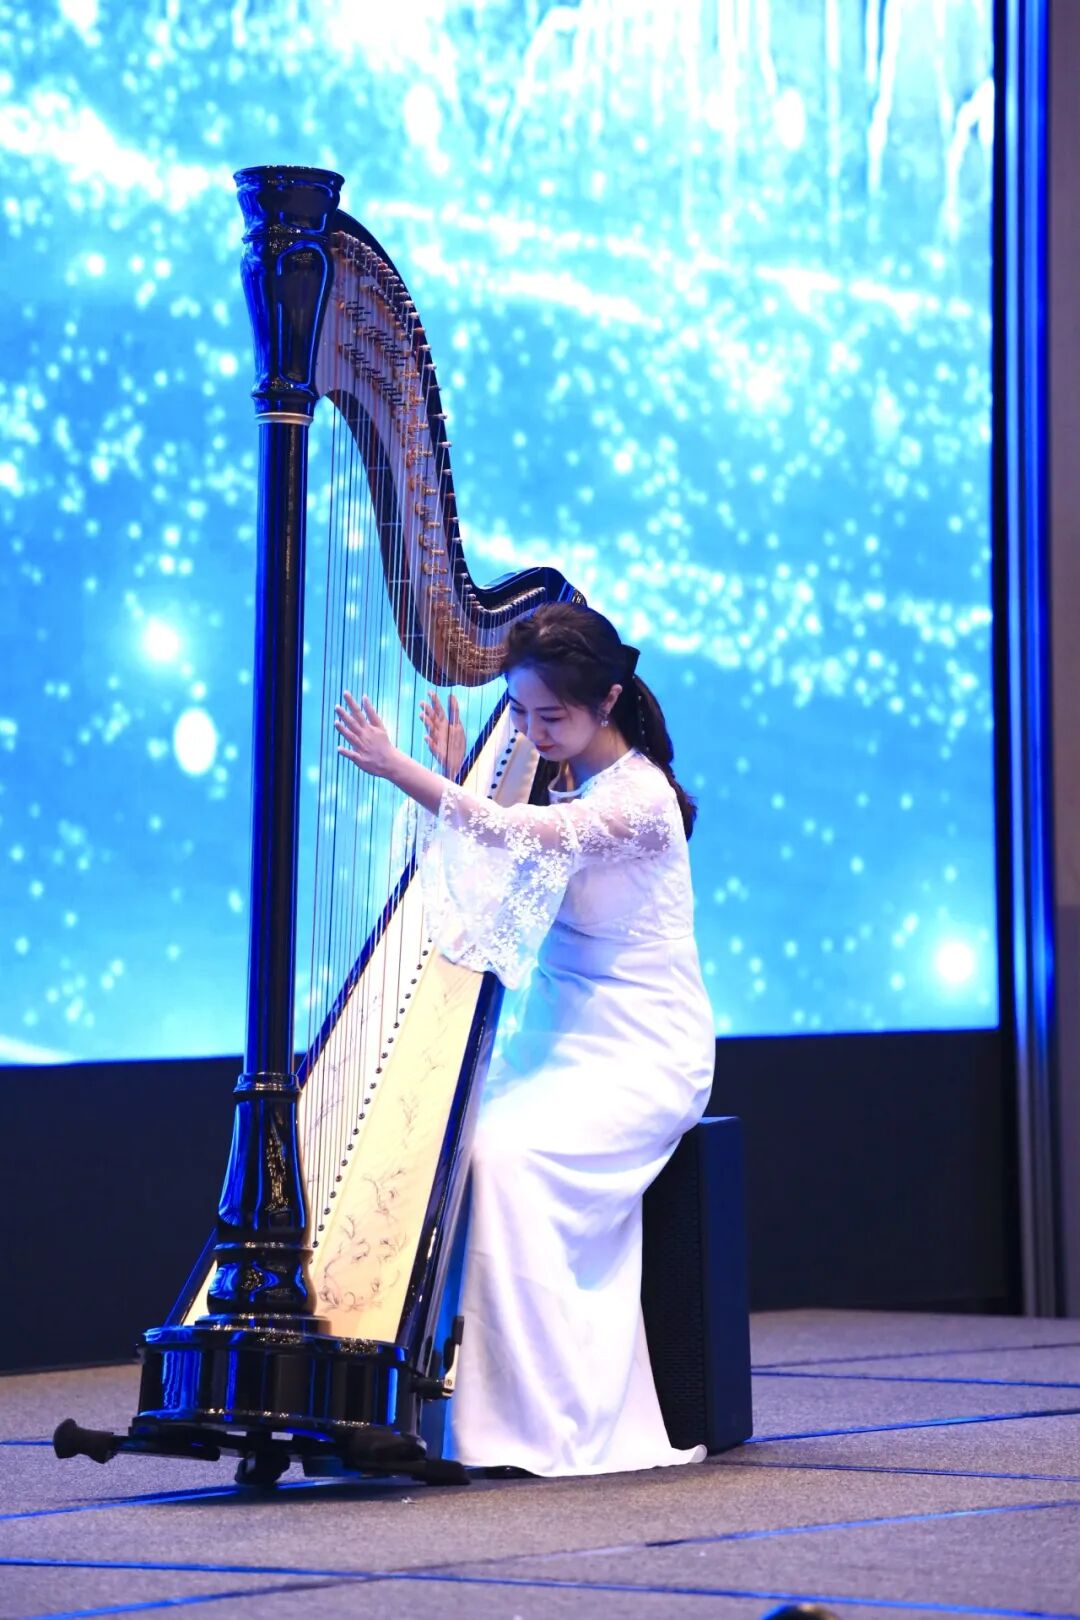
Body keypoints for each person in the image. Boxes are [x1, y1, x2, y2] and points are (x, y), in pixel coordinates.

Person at [334, 602, 715, 1477]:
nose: (534, 734)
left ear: (608, 700)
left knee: (501, 1156)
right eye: (520, 714)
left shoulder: (641, 802)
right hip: (558, 1041)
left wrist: (401, 769)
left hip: (641, 1052)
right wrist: (451, 770)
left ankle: (525, 1422)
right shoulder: (565, 780)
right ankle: (431, 1410)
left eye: (552, 716)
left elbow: (510, 834)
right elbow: (499, 870)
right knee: (445, 1145)